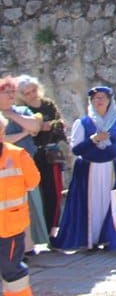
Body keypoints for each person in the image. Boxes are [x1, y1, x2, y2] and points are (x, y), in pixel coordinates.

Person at [52, 85, 116, 251]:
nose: (99, 101)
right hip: (89, 170)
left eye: (103, 97)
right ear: (91, 101)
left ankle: (108, 238)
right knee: (90, 205)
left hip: (112, 169)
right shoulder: (83, 123)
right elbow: (76, 150)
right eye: (96, 98)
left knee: (110, 203)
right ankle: (90, 239)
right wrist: (92, 140)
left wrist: (109, 141)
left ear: (109, 101)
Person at [0, 78, 48, 250]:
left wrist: (12, 115)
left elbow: (35, 126)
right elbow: (3, 139)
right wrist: (23, 133)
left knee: (30, 208)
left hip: (26, 168)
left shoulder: (21, 110)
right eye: (7, 92)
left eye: (13, 92)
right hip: (5, 171)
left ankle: (29, 246)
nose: (11, 95)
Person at [16, 76, 66, 233]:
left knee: (54, 192)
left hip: (50, 154)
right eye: (27, 92)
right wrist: (37, 128)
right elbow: (26, 132)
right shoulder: (22, 111)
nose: (32, 94)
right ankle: (40, 232)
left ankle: (52, 230)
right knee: (36, 195)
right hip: (33, 155)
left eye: (34, 90)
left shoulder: (48, 105)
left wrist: (50, 126)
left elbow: (60, 124)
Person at [0, 112, 39, 296]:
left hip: (10, 227)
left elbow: (33, 182)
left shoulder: (18, 155)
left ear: (2, 131)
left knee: (12, 272)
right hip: (10, 225)